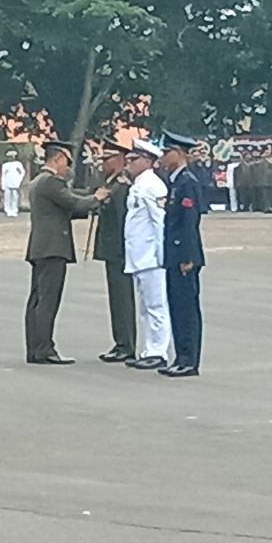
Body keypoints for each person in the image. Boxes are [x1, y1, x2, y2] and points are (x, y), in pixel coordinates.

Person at [23, 140, 109, 365]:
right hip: (52, 248)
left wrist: (88, 198)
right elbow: (73, 203)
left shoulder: (39, 182)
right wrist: (96, 199)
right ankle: (44, 348)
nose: (69, 167)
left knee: (37, 299)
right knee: (48, 300)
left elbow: (63, 209)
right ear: (58, 158)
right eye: (67, 162)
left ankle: (35, 347)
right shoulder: (50, 182)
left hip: (41, 246)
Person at [123, 139, 173, 371]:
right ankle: (148, 349)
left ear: (148, 161)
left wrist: (162, 257)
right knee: (144, 307)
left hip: (152, 257)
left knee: (156, 306)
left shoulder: (153, 185)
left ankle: (158, 351)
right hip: (139, 256)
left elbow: (159, 223)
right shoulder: (139, 184)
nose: (128, 163)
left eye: (133, 159)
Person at [159, 131, 205, 378]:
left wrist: (188, 256)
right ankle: (181, 356)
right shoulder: (175, 181)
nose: (164, 157)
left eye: (168, 152)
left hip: (184, 254)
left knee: (186, 308)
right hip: (174, 253)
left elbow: (189, 221)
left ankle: (189, 360)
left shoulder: (187, 182)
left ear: (180, 153)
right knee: (176, 307)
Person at [93, 141, 135, 363]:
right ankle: (121, 342)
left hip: (118, 251)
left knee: (122, 299)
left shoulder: (121, 187)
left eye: (107, 159)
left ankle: (125, 344)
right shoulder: (110, 184)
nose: (103, 164)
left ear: (120, 159)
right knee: (116, 298)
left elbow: (121, 223)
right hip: (112, 251)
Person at [0, 149, 26, 218]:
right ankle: (8, 210)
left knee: (15, 197)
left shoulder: (18, 164)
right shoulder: (5, 165)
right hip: (8, 183)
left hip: (15, 182)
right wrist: (3, 184)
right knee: (7, 197)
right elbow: (3, 175)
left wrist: (19, 180)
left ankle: (14, 210)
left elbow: (22, 172)